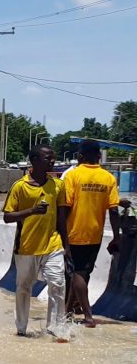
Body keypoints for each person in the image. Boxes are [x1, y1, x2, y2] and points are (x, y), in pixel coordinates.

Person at [2, 145, 70, 337]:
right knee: (24, 288)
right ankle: (21, 328)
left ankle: (56, 330)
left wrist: (67, 246)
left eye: (53, 158)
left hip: (53, 244)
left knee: (57, 284)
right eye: (48, 158)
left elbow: (62, 218)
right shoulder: (19, 186)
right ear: (34, 160)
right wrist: (31, 211)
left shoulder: (58, 185)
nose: (52, 161)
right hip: (26, 246)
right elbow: (7, 217)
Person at [63, 138, 125, 328]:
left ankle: (88, 316)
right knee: (83, 272)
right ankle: (67, 311)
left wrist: (62, 235)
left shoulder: (72, 176)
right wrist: (116, 236)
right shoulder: (108, 178)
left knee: (77, 273)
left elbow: (65, 207)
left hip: (74, 233)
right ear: (99, 156)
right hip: (95, 234)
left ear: (80, 156)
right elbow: (114, 210)